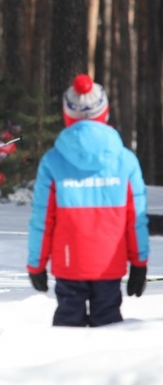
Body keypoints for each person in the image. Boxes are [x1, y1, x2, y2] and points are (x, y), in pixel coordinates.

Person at [27, 74, 149, 327]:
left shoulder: (53, 161)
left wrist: (36, 264)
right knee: (109, 330)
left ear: (68, 115)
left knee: (67, 331)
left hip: (69, 263)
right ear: (104, 112)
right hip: (109, 265)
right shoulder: (125, 160)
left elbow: (42, 219)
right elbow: (136, 219)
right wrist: (139, 263)